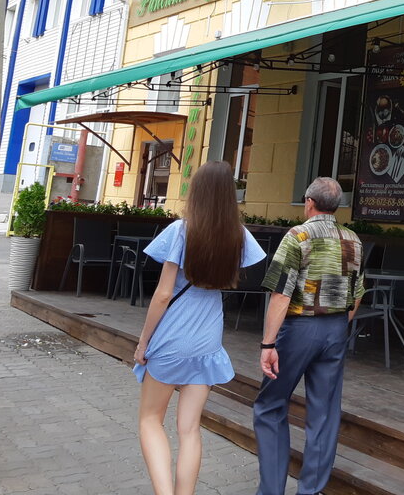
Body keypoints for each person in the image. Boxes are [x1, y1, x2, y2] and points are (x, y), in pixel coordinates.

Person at [133, 160, 266, 495]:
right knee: (190, 429)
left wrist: (143, 342)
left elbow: (163, 295)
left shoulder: (181, 231)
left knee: (151, 420)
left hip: (172, 337)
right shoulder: (239, 236)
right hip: (208, 339)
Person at [253, 176, 365, 495]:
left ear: (309, 203)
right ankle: (311, 491)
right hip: (336, 328)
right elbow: (358, 293)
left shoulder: (298, 235)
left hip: (299, 329)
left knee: (270, 405)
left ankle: (271, 491)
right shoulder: (352, 239)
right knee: (325, 413)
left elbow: (280, 293)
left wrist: (268, 343)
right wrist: (339, 326)